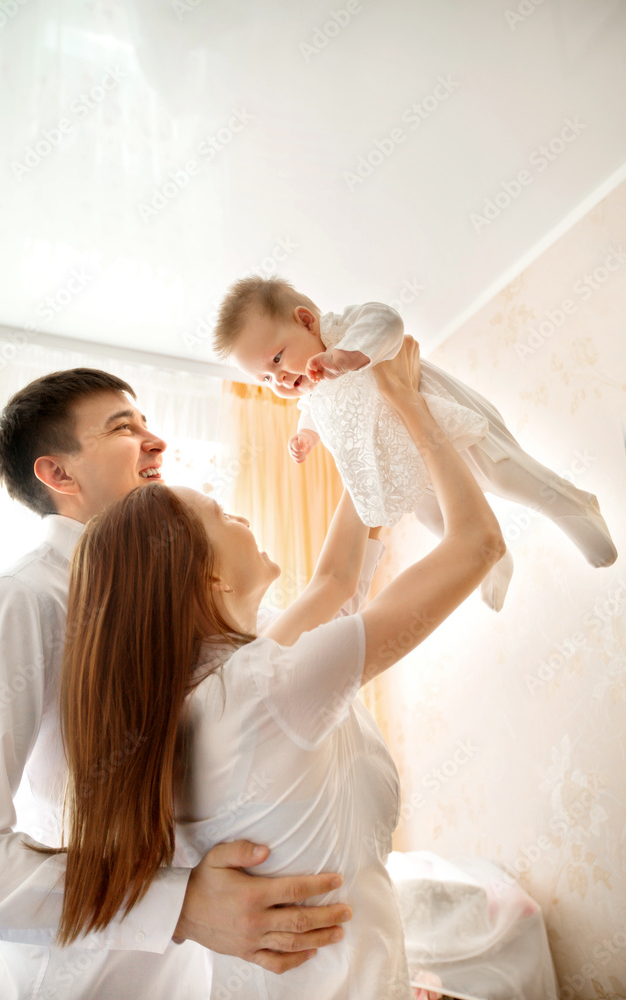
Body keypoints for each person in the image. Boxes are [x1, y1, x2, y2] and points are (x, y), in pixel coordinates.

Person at [51, 339, 507, 999]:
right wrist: (409, 405)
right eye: (222, 515)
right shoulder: (264, 689)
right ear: (204, 575)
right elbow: (476, 545)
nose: (241, 516)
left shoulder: (217, 690)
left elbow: (334, 580)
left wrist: (362, 427)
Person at [0, 368, 353, 1000]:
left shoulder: (182, 603)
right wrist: (180, 906)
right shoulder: (19, 604)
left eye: (147, 423)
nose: (156, 442)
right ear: (58, 475)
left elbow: (328, 606)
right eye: (123, 428)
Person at [212, 276, 617, 612]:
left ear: (305, 321)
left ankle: (574, 504)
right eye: (265, 379)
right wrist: (305, 434)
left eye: (277, 359)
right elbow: (316, 410)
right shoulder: (312, 390)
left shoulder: (343, 331)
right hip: (403, 459)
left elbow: (386, 322)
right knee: (437, 519)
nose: (278, 380)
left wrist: (349, 355)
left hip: (442, 417)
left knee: (507, 477)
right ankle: (492, 561)